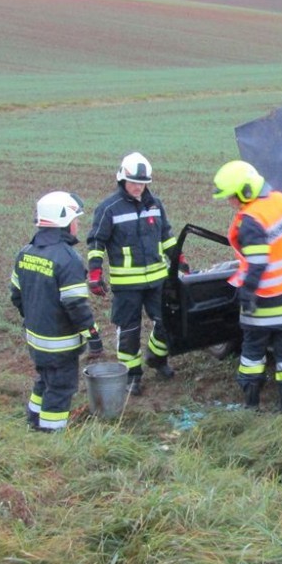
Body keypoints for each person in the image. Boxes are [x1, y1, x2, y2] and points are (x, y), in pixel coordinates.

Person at [213, 159, 282, 411]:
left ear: (245, 190)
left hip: (265, 301)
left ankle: (251, 404)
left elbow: (257, 262)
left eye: (231, 197)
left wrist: (247, 293)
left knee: (252, 354)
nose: (230, 202)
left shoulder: (251, 219)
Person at [86, 152, 178, 395]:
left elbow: (166, 236)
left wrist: (180, 260)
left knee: (166, 322)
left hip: (158, 280)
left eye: (143, 183)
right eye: (134, 182)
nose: (139, 187)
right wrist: (94, 272)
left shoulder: (156, 205)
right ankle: (132, 375)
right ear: (122, 180)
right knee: (129, 331)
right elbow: (96, 241)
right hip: (126, 285)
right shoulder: (108, 208)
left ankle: (158, 359)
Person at [11, 191, 102, 432]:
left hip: (35, 338)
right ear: (64, 221)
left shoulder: (25, 252)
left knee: (44, 380)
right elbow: (76, 305)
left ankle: (33, 420)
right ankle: (51, 434)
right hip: (60, 343)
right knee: (61, 388)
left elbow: (16, 295)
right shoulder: (68, 259)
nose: (78, 225)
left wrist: (34, 317)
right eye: (76, 219)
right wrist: (92, 334)